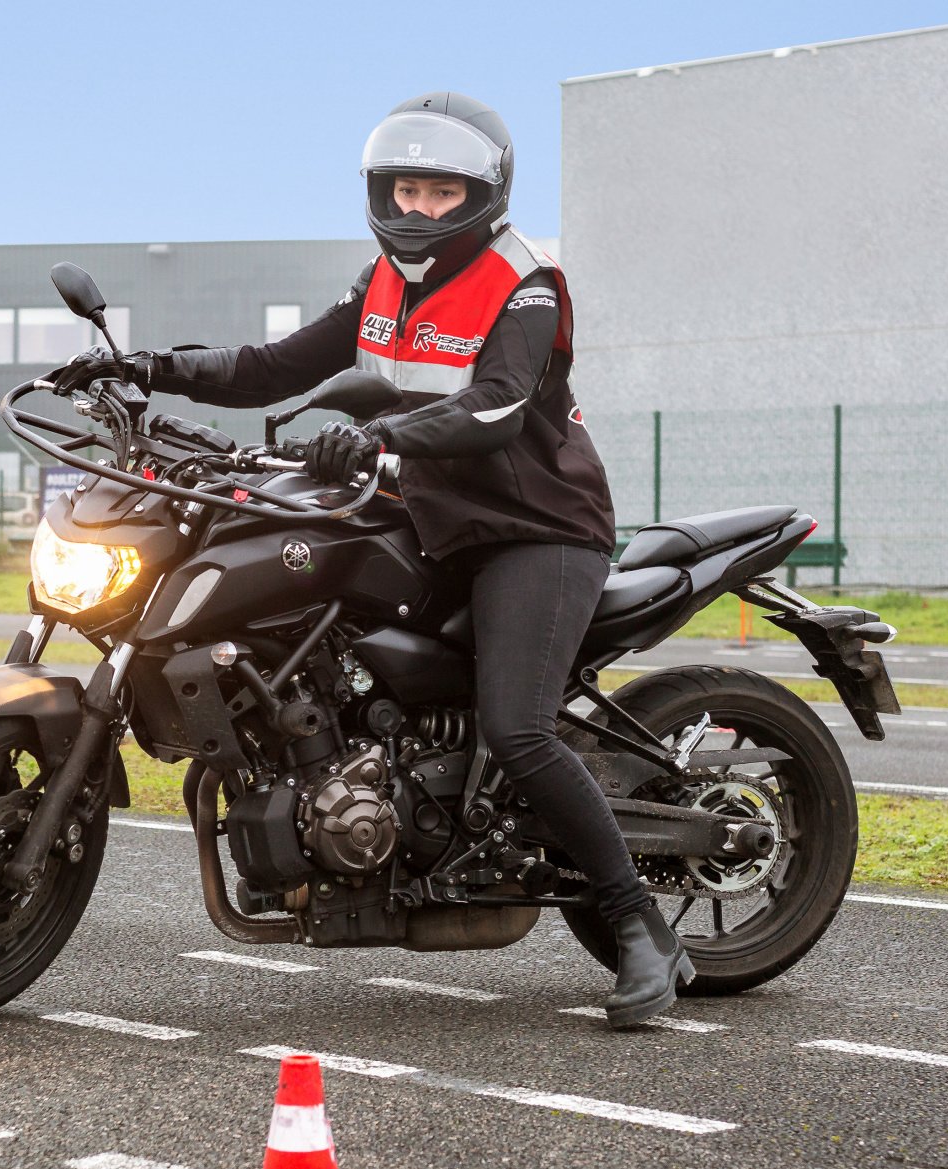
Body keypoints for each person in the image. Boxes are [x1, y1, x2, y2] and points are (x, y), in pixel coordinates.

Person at [59, 92, 691, 1028]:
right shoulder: (381, 283)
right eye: (405, 189)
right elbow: (273, 366)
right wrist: (147, 369)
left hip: (536, 527)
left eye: (442, 192)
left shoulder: (527, 282)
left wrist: (382, 436)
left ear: (482, 193)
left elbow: (497, 406)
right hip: (423, 516)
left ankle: (641, 929)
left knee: (518, 726)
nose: (420, 209)